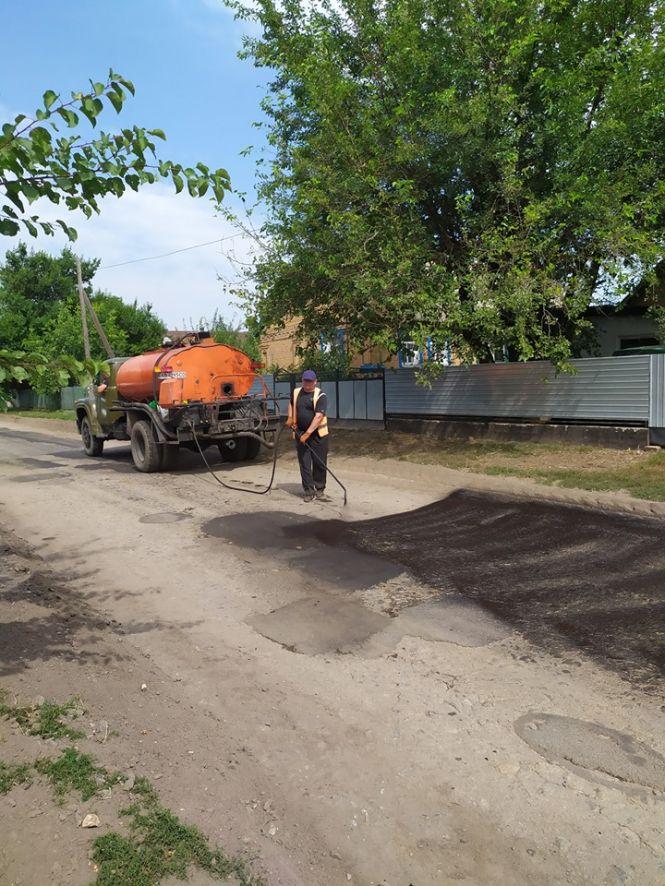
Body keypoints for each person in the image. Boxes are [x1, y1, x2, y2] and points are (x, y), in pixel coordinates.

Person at [287, 369, 329, 502]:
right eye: (305, 380)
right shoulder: (296, 392)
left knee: (319, 463)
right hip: (300, 432)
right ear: (302, 380)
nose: (307, 383)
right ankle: (308, 491)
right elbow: (291, 404)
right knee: (304, 463)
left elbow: (318, 417)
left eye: (310, 381)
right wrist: (289, 417)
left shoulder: (320, 395)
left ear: (315, 382)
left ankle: (320, 489)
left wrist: (308, 433)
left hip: (318, 435)